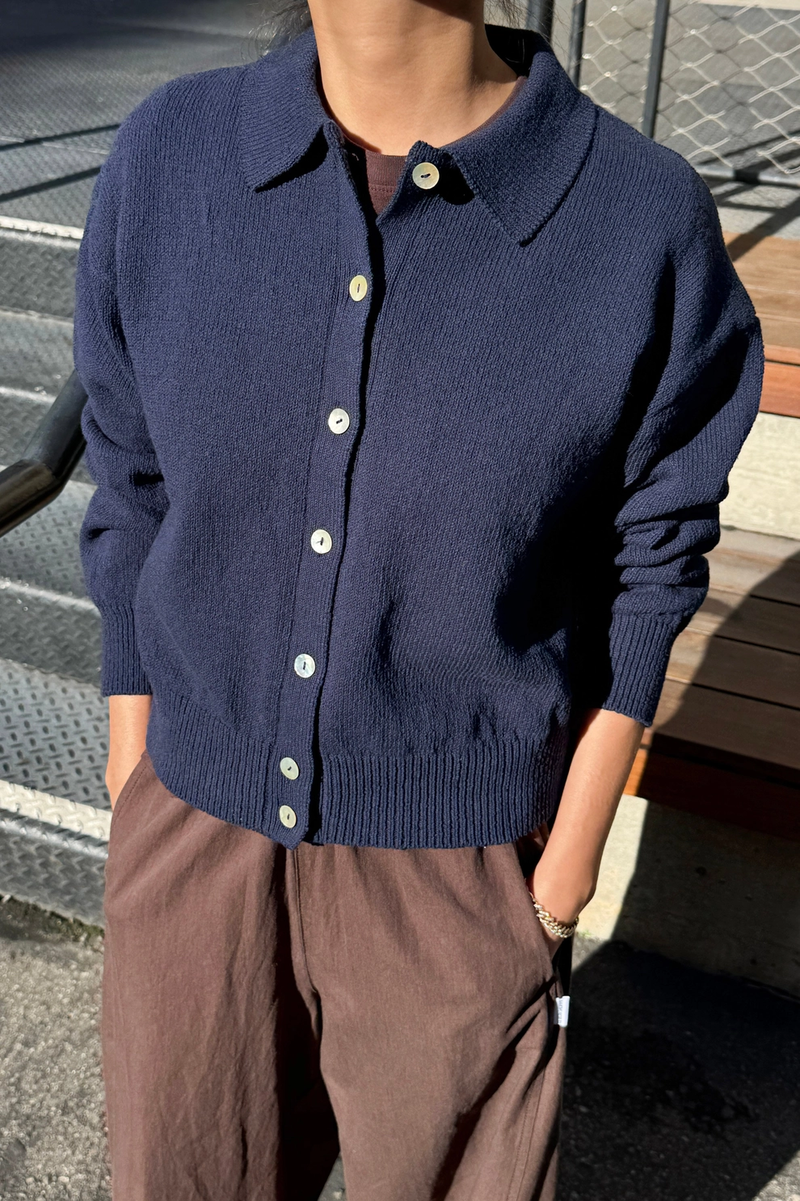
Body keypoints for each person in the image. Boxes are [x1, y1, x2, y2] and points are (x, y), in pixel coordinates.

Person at [74, 0, 763, 1197]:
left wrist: (564, 869)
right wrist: (135, 758)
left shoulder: (633, 216)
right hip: (189, 833)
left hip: (459, 866)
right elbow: (130, 473)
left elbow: (652, 557)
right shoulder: (170, 154)